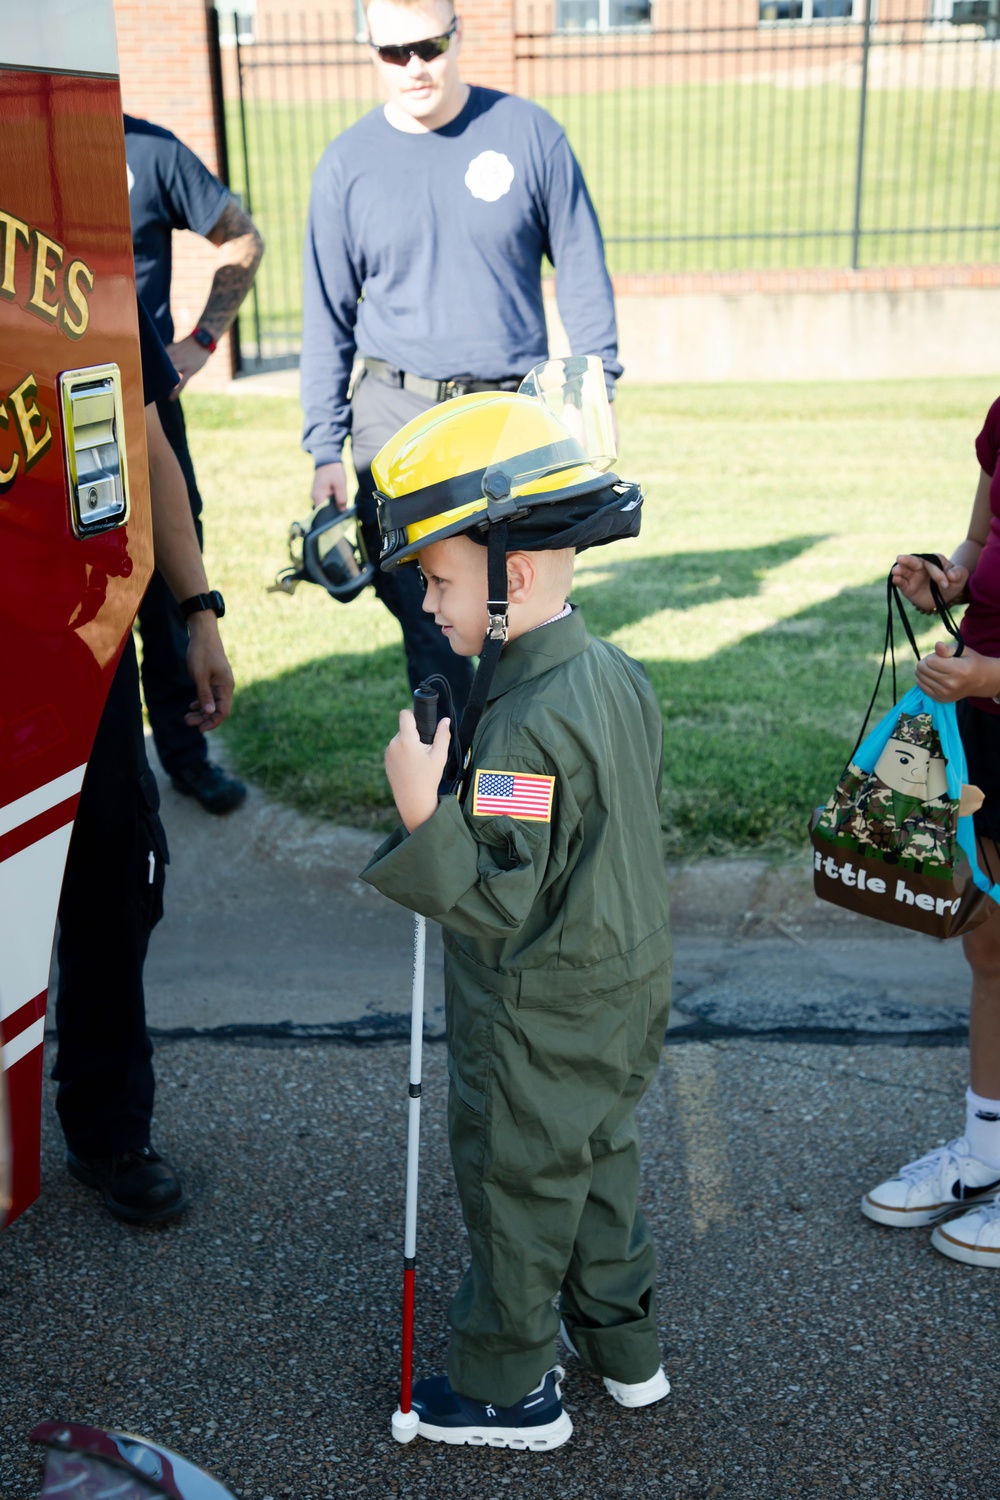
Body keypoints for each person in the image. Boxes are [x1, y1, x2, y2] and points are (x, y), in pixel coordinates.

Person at [360, 365, 671, 1448]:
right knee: (595, 1164)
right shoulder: (614, 677)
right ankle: (624, 1349)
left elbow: (498, 894)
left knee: (516, 1180)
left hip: (538, 1010)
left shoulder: (525, 726)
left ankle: (507, 1389)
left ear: (514, 574)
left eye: (438, 583)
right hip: (622, 989)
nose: (429, 605)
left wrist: (419, 818)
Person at [301, 0, 621, 716]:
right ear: (370, 50)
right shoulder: (346, 165)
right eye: (393, 52)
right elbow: (326, 314)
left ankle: (513, 787)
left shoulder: (528, 134)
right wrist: (325, 447)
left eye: (429, 45)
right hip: (397, 413)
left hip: (507, 413)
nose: (414, 66)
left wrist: (597, 388)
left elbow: (582, 269)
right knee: (436, 617)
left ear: (457, 34)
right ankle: (451, 805)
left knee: (519, 608)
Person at [54, 299, 235, 1223]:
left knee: (110, 877)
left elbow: (149, 444)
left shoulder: (77, 243)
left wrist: (197, 612)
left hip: (80, 633)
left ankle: (109, 1129)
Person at [862, 396, 1000, 1267]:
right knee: (987, 944)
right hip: (984, 715)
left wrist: (991, 672)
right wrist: (945, 579)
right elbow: (980, 548)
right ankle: (986, 1151)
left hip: (990, 685)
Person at [124, 115, 263, 814]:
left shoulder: (146, 150)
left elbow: (243, 237)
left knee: (172, 592)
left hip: (143, 407)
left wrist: (203, 339)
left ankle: (185, 759)